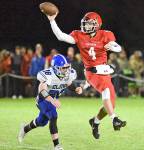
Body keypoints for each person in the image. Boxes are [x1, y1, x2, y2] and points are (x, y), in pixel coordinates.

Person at [47, 11, 126, 139]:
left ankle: (95, 122)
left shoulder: (105, 34)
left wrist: (111, 45)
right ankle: (114, 119)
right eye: (85, 23)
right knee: (106, 91)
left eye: (89, 24)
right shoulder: (79, 35)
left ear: (96, 24)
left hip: (103, 70)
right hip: (91, 71)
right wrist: (52, 21)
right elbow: (61, 36)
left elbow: (118, 48)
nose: (86, 26)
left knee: (110, 103)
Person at [18, 54, 82, 150]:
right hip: (43, 99)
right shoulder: (48, 74)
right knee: (53, 116)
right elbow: (42, 91)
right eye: (64, 68)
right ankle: (57, 146)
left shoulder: (68, 74)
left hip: (52, 100)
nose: (67, 70)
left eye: (68, 67)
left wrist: (76, 88)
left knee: (42, 122)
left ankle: (24, 129)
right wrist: (52, 100)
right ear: (56, 68)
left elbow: (68, 83)